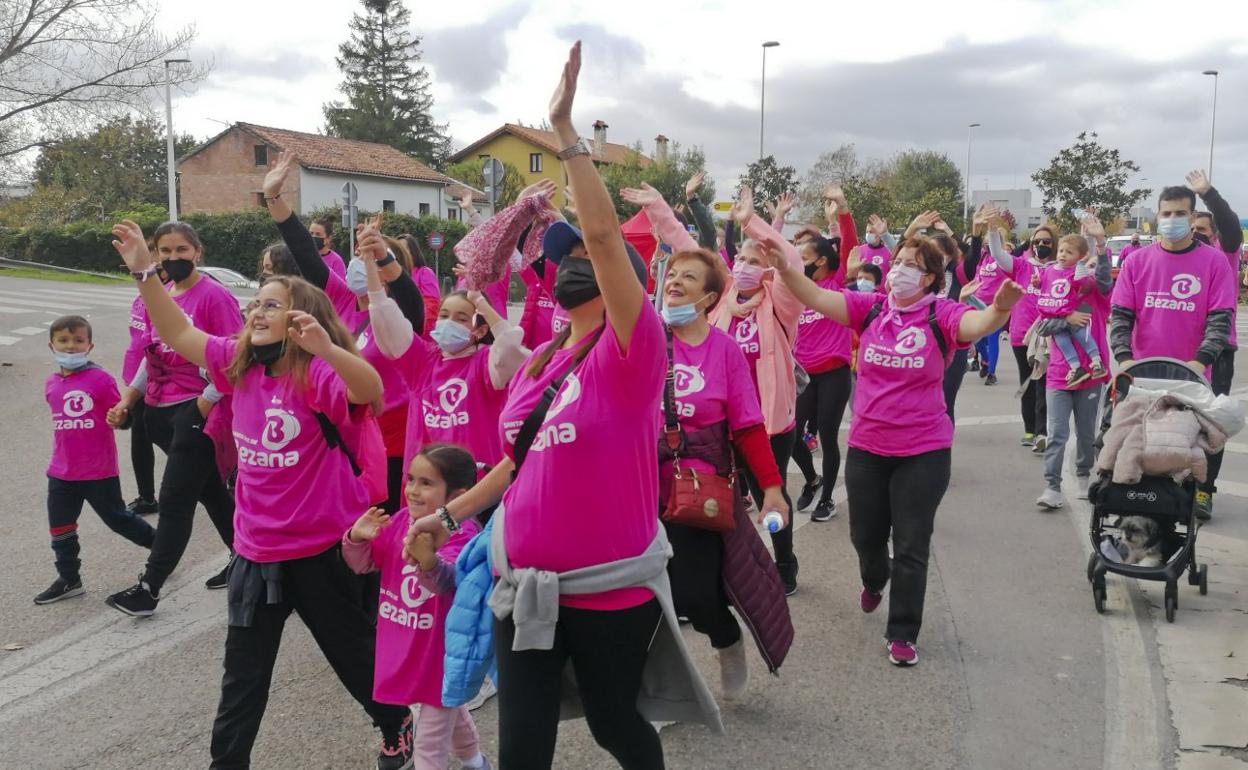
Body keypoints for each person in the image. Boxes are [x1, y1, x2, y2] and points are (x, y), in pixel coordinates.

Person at [401, 42, 721, 769]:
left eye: (585, 260)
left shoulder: (631, 354)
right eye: (565, 256)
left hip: (608, 594)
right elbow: (514, 465)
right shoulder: (543, 360)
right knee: (523, 752)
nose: (573, 261)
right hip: (525, 590)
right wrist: (444, 516)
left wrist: (565, 130)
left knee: (616, 727)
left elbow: (607, 234)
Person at [109, 219, 413, 769]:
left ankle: (396, 724)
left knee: (354, 657)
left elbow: (369, 389)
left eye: (272, 305)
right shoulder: (235, 363)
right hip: (255, 553)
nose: (257, 312)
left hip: (322, 552)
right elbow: (179, 334)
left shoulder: (316, 372)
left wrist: (325, 349)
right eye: (256, 304)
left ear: (301, 321)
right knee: (242, 679)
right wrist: (143, 271)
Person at [767, 235, 1022, 667]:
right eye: (897, 261)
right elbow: (813, 294)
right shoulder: (869, 309)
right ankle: (874, 577)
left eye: (911, 265)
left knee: (911, 542)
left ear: (928, 278)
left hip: (924, 449)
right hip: (868, 445)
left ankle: (903, 631)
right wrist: (786, 269)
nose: (899, 269)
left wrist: (999, 308)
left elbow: (976, 327)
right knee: (864, 536)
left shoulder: (941, 314)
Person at [656, 245, 793, 698]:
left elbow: (750, 427)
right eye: (671, 273)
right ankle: (659, 691)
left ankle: (726, 639)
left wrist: (772, 489)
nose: (674, 281)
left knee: (696, 594)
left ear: (710, 297)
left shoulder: (725, 351)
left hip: (701, 490)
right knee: (646, 597)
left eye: (688, 278)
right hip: (638, 488)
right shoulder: (646, 343)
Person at [104, 221, 241, 616]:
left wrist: (204, 403)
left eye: (182, 250)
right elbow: (151, 354)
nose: (173, 258)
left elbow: (234, 359)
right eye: (165, 251)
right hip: (160, 413)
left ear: (198, 252)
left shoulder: (214, 297)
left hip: (197, 415)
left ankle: (150, 587)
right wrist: (130, 398)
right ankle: (248, 560)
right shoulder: (161, 294)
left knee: (175, 500)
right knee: (212, 490)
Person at [343, 445, 492, 770]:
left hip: (438, 653)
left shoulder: (463, 533)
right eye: (411, 479)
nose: (412, 489)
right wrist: (356, 538)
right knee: (449, 714)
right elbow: (365, 564)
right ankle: (476, 761)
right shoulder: (400, 521)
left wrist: (428, 561)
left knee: (429, 742)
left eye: (426, 483)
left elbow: (449, 580)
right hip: (407, 646)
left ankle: (474, 761)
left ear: (458, 496)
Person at [1109, 184, 1238, 521]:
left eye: (1180, 213)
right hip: (1142, 374)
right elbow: (1121, 317)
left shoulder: (1213, 263)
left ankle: (1194, 500)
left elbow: (1220, 320)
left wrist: (1201, 360)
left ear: (1192, 216)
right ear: (1157, 216)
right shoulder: (1137, 262)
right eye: (1166, 213)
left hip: (1191, 379)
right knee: (1134, 445)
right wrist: (1125, 358)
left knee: (1185, 452)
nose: (1172, 219)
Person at [35, 316, 156, 605]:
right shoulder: (51, 383)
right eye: (64, 341)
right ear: (51, 345)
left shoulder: (100, 379)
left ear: (90, 346)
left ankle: (162, 549)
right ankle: (69, 578)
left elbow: (121, 416)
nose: (71, 346)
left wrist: (121, 417)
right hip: (61, 472)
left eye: (78, 341)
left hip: (98, 472)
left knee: (119, 519)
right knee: (61, 527)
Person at [1036, 216, 1113, 510]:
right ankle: (1051, 487)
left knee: (1085, 433)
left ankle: (1083, 474)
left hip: (1092, 375)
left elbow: (1104, 279)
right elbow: (1042, 326)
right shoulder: (1055, 292)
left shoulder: (1096, 292)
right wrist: (1064, 318)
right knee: (1056, 434)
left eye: (1086, 264)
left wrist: (1101, 245)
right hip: (1060, 374)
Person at [1186, 169, 1242, 518]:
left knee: (1212, 422)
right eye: (1192, 230)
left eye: (1202, 231)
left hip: (1219, 353)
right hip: (1182, 352)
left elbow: (1231, 227)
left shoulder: (1225, 254)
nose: (1196, 235)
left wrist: (1208, 193)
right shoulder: (1178, 258)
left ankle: (1205, 491)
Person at [789, 234, 851, 522]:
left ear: (822, 260)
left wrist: (842, 210)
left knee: (827, 436)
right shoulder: (799, 291)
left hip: (834, 375)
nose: (800, 264)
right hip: (805, 375)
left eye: (804, 259)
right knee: (790, 434)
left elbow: (849, 245)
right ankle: (813, 480)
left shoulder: (835, 285)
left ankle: (827, 499)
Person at [1033, 234, 1107, 387]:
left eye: (1069, 252)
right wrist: (1036, 283)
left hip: (1071, 310)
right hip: (1057, 314)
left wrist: (1082, 263)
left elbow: (1081, 281)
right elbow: (1043, 284)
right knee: (1060, 339)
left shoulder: (1085, 280)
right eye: (1061, 251)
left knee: (1080, 331)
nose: (1063, 255)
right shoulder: (1049, 269)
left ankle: (1096, 361)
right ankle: (1075, 367)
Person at [1008, 224, 1057, 450]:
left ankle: (1042, 432)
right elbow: (999, 256)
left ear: (1054, 244)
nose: (1041, 245)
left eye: (1046, 241)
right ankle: (1030, 430)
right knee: (1027, 382)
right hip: (1022, 336)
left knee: (1043, 383)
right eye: (1036, 242)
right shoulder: (1022, 266)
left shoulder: (1061, 269)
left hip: (1049, 337)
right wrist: (990, 230)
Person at [122, 288, 158, 516]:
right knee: (140, 439)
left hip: (161, 381)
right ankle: (146, 497)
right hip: (137, 378)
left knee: (178, 443)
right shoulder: (141, 295)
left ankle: (215, 486)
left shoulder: (169, 296)